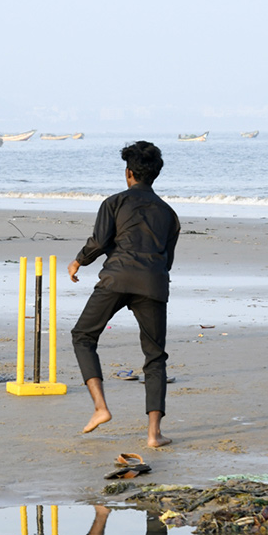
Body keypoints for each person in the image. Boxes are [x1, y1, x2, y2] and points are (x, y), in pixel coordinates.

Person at [68, 141, 178, 447]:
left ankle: (101, 408)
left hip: (116, 278)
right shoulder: (169, 214)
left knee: (83, 336)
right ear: (155, 175)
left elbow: (100, 240)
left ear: (128, 173)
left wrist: (79, 260)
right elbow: (167, 259)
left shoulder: (114, 203)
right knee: (155, 357)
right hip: (153, 283)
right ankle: (154, 434)